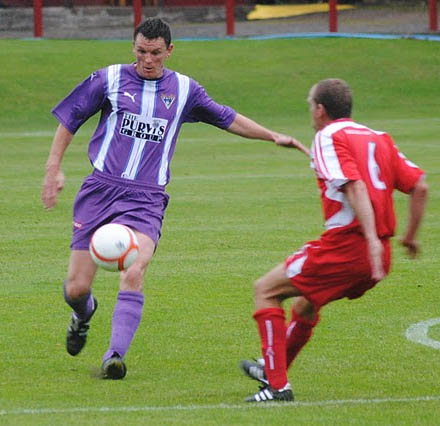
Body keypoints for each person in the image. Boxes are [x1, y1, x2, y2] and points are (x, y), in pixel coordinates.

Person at [41, 17, 309, 380]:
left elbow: (226, 117)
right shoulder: (109, 79)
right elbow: (69, 119)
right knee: (76, 287)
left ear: (169, 51)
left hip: (146, 200)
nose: (147, 60)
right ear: (133, 47)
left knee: (134, 269)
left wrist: (271, 135)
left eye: (154, 53)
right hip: (100, 191)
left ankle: (114, 356)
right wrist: (53, 168)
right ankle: (83, 314)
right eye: (140, 51)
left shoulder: (184, 90)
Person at [240, 78, 428, 402]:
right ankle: (274, 366)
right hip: (380, 256)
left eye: (310, 105)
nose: (310, 113)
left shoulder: (326, 136)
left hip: (350, 247)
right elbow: (420, 185)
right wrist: (409, 237)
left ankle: (277, 386)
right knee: (305, 303)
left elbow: (353, 186)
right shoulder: (377, 137)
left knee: (266, 290)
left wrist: (368, 239)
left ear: (321, 109)